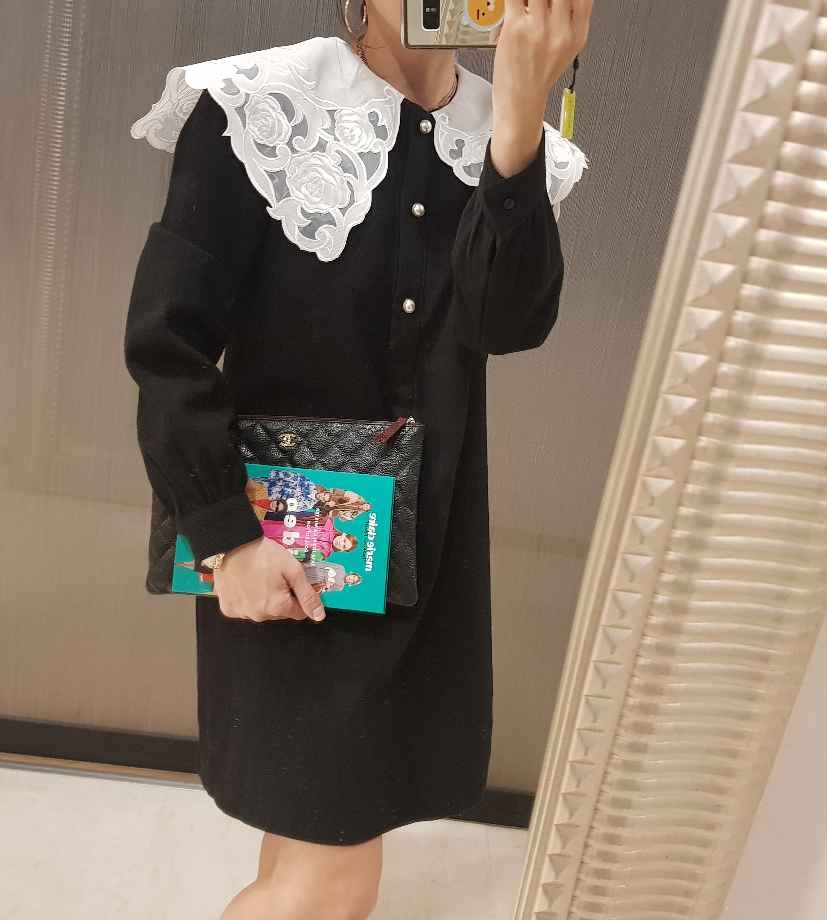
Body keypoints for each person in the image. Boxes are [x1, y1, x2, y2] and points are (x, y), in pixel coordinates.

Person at [123, 0, 591, 917]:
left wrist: (520, 119)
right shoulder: (260, 104)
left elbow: (508, 322)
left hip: (428, 562)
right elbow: (166, 344)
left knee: (316, 855)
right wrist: (225, 538)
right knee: (325, 886)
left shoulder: (504, 133)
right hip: (284, 553)